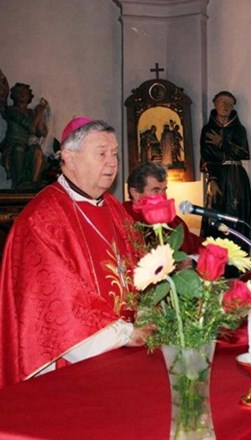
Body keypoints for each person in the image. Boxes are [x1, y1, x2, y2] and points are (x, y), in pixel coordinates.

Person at [0, 117, 152, 389]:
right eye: (102, 153)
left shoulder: (116, 211)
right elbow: (55, 307)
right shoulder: (42, 219)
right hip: (73, 367)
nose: (113, 162)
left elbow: (142, 275)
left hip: (128, 358)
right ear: (69, 158)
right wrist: (124, 334)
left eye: (115, 153)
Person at [200, 91, 251, 247]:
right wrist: (212, 179)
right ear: (215, 103)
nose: (226, 106)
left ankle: (237, 262)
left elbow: (243, 152)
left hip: (236, 177)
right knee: (216, 217)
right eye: (223, 102)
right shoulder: (208, 130)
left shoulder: (238, 129)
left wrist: (222, 143)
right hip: (217, 177)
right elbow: (206, 157)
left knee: (235, 215)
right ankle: (215, 261)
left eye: (230, 103)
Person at [124, 161, 203, 256]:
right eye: (156, 190)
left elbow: (199, 247)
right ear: (135, 193)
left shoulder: (175, 221)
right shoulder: (122, 220)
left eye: (164, 190)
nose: (162, 196)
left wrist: (191, 260)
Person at [0, 83, 48, 189]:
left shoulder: (31, 113)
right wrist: (38, 113)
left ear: (30, 96)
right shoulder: (12, 111)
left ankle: (34, 181)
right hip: (12, 145)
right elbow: (31, 128)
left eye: (25, 92)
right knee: (18, 148)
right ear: (13, 96)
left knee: (37, 150)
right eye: (19, 92)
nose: (22, 94)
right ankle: (20, 181)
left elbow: (42, 133)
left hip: (25, 145)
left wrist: (39, 116)